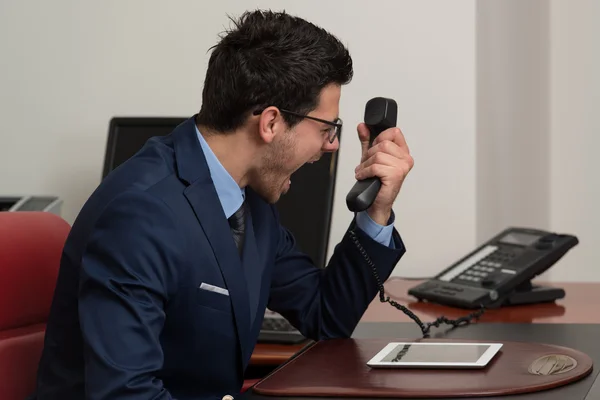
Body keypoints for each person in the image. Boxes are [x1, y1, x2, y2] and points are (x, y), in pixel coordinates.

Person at [32, 9, 414, 400]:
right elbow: (125, 393)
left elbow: (325, 314)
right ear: (270, 123)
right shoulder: (140, 214)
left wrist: (376, 210)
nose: (331, 145)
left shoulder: (247, 200)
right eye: (326, 128)